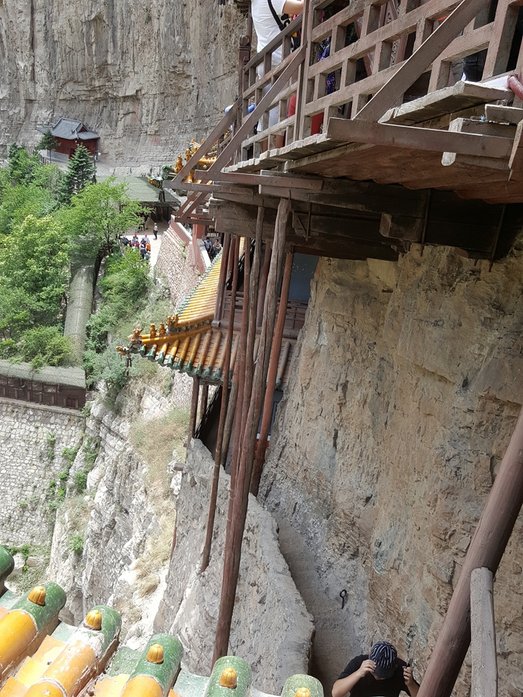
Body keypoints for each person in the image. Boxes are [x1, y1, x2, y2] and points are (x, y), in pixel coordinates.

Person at [332, 641, 420, 697]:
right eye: (375, 672)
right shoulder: (358, 663)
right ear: (369, 660)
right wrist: (358, 673)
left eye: (384, 675)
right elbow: (336, 693)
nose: (379, 677)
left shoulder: (401, 669)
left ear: (395, 666)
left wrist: (411, 684)